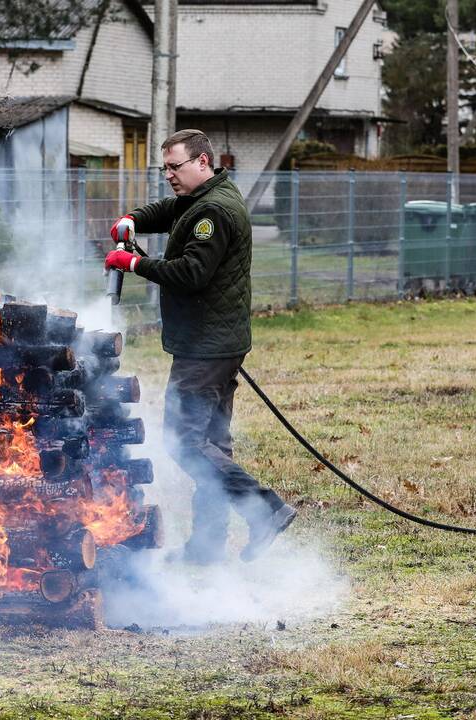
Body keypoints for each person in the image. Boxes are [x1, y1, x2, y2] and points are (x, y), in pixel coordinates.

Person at [104, 129, 297, 563]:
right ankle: (206, 550)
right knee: (212, 443)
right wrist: (134, 219)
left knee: (181, 440)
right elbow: (172, 210)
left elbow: (192, 273)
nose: (169, 175)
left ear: (203, 163)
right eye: (165, 167)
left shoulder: (214, 212)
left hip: (205, 349)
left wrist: (134, 262)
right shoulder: (205, 196)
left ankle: (265, 508)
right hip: (216, 342)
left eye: (176, 167)